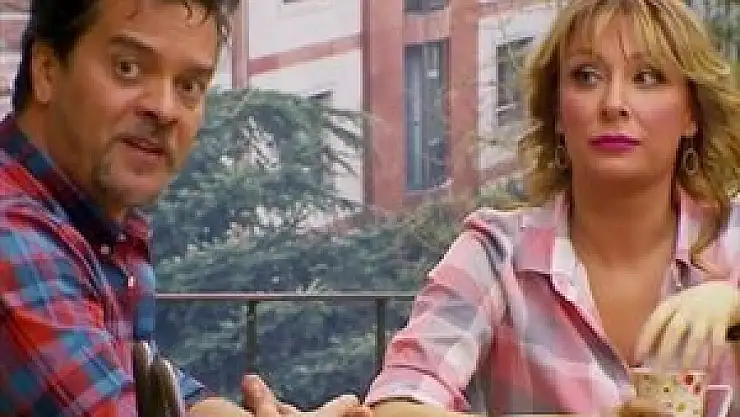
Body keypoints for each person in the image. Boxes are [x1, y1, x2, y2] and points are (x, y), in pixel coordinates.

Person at [365, 0, 740, 415]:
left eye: (647, 77)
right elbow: (397, 401)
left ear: (691, 114)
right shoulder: (497, 254)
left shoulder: (734, 239)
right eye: (587, 76)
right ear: (558, 111)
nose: (613, 103)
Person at [0, 1, 372, 416]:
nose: (164, 109)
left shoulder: (96, 227)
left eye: (189, 86)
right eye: (128, 68)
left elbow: (140, 384)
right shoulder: (13, 240)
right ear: (47, 70)